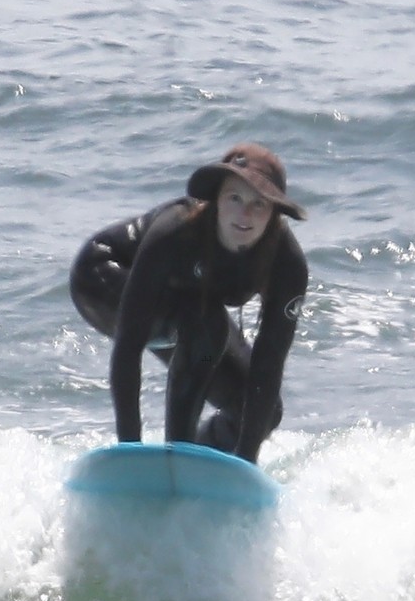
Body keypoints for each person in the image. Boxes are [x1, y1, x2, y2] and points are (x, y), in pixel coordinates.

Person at [69, 142, 308, 465]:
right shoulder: (177, 230)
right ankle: (178, 457)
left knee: (262, 410)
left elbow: (269, 362)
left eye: (259, 205)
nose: (244, 215)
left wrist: (248, 460)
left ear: (275, 214)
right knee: (204, 322)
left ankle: (201, 459)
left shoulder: (286, 265)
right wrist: (130, 448)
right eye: (234, 198)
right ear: (217, 199)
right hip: (103, 277)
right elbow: (129, 344)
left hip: (186, 307)